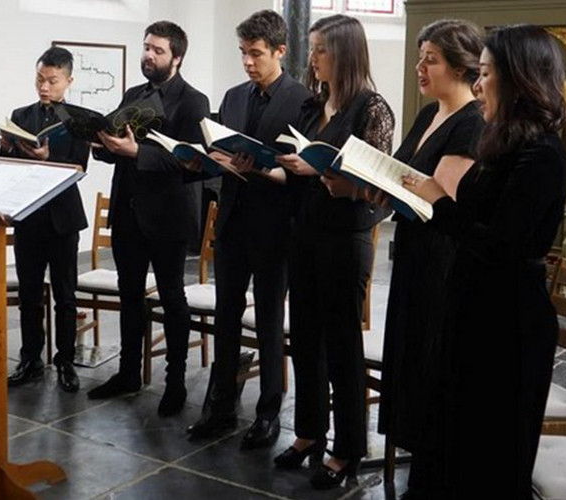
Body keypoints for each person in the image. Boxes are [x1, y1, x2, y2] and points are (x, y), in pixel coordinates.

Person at [402, 24, 566, 499]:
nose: (478, 85)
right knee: (451, 438)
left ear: (518, 79)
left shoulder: (542, 154)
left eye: (487, 73)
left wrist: (437, 200)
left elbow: (499, 246)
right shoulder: (501, 144)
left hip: (510, 323)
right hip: (474, 306)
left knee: (489, 453)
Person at [274, 14, 394, 489]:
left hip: (346, 236)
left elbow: (376, 183)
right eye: (312, 48)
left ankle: (347, 448)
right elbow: (296, 166)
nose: (313, 57)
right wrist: (271, 166)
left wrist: (330, 176)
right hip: (305, 230)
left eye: (321, 48)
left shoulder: (373, 109)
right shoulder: (314, 103)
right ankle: (308, 432)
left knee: (342, 344)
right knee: (304, 338)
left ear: (345, 53)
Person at [185, 9, 311, 449]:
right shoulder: (235, 96)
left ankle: (269, 415)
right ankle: (220, 407)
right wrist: (211, 159)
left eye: (256, 53)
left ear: (280, 51)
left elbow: (302, 168)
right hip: (234, 219)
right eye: (242, 53)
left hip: (277, 224)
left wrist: (263, 166)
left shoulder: (302, 100)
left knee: (271, 322)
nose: (248, 62)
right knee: (225, 317)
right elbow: (222, 145)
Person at [376, 19, 484, 499]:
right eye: (420, 56)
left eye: (431, 59)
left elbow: (442, 198)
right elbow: (401, 175)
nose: (420, 67)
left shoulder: (472, 122)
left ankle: (428, 462)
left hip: (440, 255)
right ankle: (412, 452)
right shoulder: (428, 114)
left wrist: (400, 185)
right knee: (406, 350)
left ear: (461, 66)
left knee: (429, 356)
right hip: (413, 249)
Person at [87, 21, 210, 417]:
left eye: (157, 51)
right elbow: (116, 148)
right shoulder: (133, 94)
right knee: (129, 295)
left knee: (172, 298)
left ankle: (174, 383)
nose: (148, 56)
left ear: (177, 57)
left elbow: (191, 161)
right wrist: (100, 142)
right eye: (146, 48)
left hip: (168, 216)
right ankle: (128, 373)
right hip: (128, 212)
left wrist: (136, 151)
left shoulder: (193, 102)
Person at [0, 46, 89, 393]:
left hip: (63, 218)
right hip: (29, 216)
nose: (44, 86)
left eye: (52, 80)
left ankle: (65, 361)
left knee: (66, 295)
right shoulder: (20, 115)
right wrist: (8, 148)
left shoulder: (78, 120)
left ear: (68, 80)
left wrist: (50, 156)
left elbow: (80, 166)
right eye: (40, 78)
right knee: (29, 294)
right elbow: (7, 166)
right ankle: (30, 359)